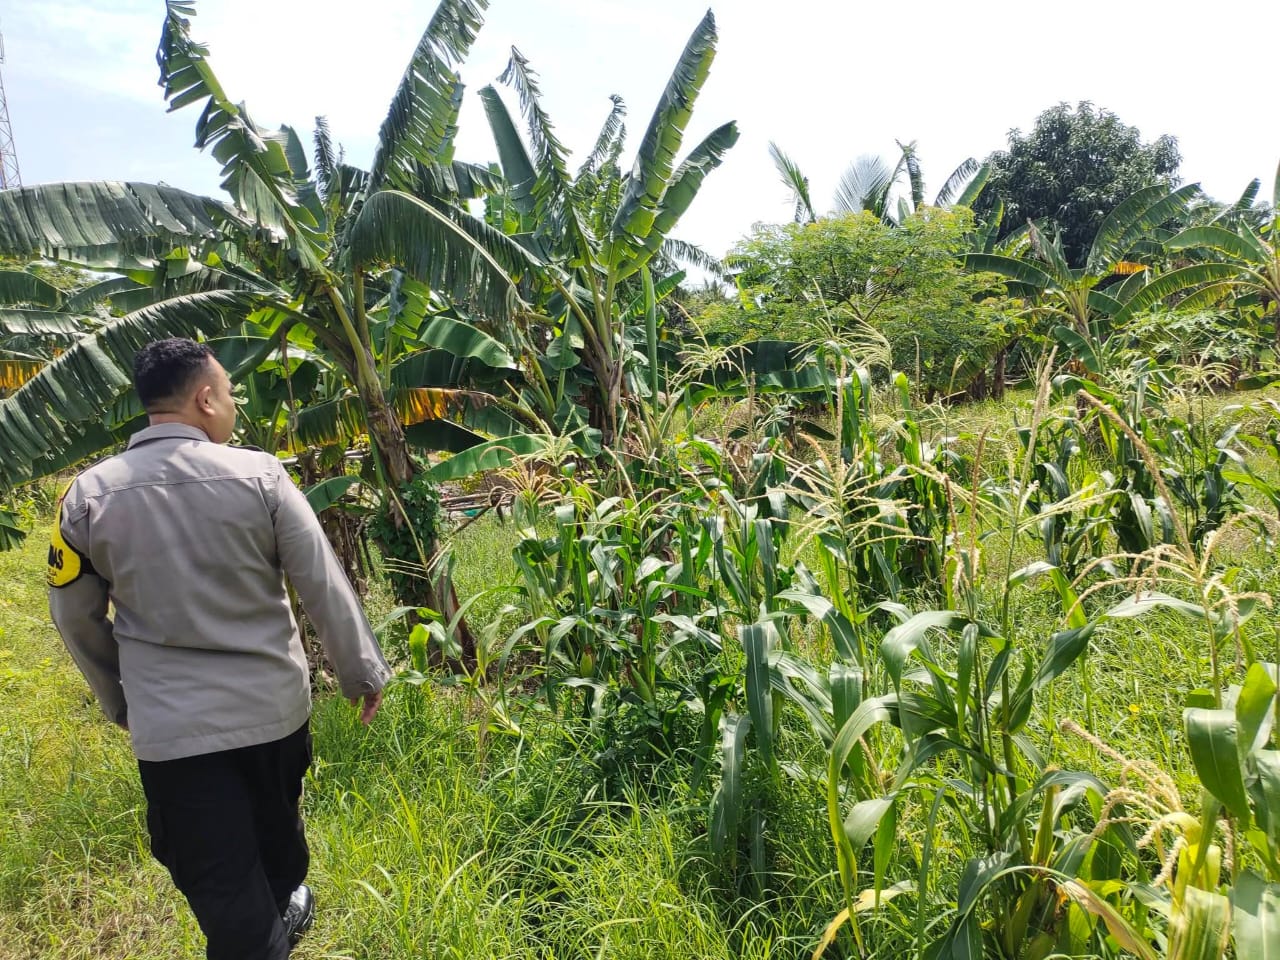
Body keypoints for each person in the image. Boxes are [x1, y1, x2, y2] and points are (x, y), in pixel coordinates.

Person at [47, 337, 390, 959]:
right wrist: (361, 672)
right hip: (273, 713)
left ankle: (268, 923)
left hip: (171, 727)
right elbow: (321, 581)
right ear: (205, 400)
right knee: (274, 840)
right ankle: (272, 920)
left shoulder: (87, 496)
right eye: (230, 393)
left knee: (220, 872)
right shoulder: (261, 476)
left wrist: (121, 700)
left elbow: (75, 616)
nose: (234, 405)